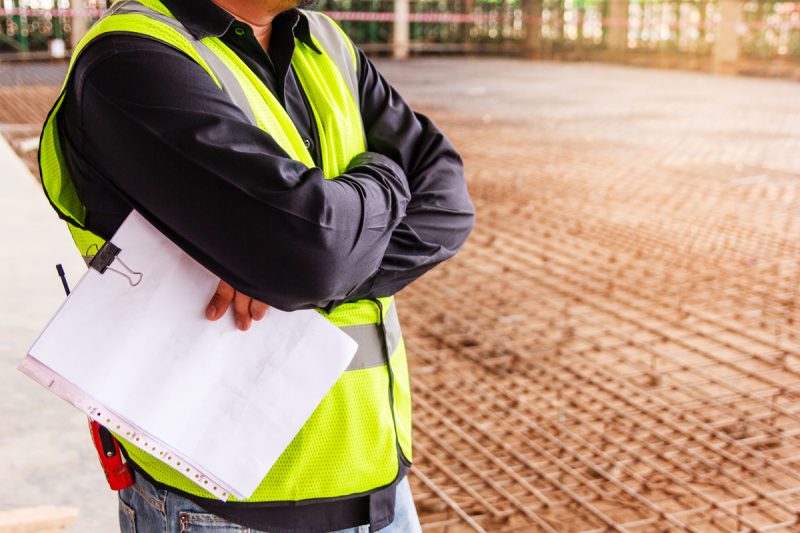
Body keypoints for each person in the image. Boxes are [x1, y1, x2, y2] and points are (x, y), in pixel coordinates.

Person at [38, 0, 474, 531]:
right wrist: (385, 174)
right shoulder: (131, 59)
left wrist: (318, 269)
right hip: (218, 505)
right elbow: (313, 255)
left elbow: (448, 204)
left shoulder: (324, 42)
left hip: (379, 482)